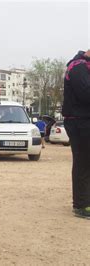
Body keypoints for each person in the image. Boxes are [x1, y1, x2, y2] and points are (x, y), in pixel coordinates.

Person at [62, 49, 90, 219]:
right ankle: (81, 204)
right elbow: (86, 93)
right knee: (83, 161)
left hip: (84, 120)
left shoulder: (84, 66)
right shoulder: (78, 67)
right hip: (79, 121)